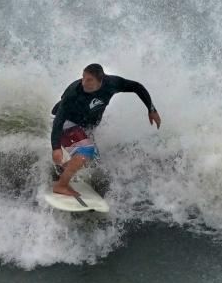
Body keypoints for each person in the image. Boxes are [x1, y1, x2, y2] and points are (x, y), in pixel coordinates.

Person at [50, 63, 161, 196]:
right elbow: (59, 119)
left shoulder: (112, 83)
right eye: (83, 77)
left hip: (82, 126)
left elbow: (137, 87)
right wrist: (56, 147)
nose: (84, 82)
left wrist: (151, 109)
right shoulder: (74, 91)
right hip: (65, 122)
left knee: (92, 160)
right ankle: (61, 185)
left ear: (100, 80)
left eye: (89, 79)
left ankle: (62, 171)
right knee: (86, 152)